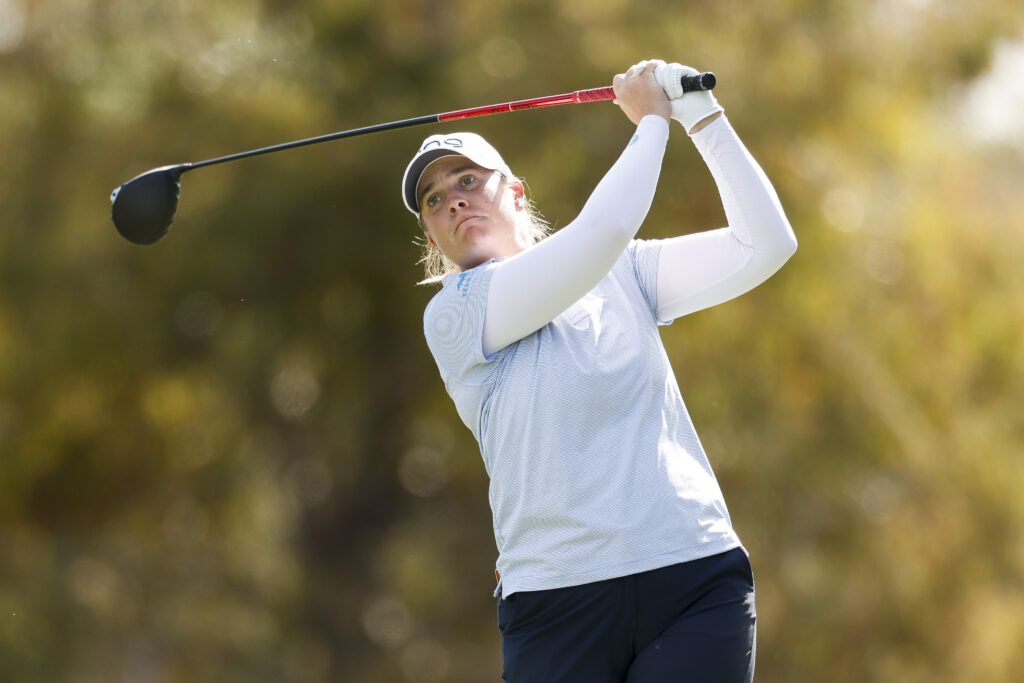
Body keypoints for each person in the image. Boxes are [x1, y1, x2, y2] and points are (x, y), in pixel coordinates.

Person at [400, 59, 797, 682]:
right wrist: (651, 124)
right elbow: (603, 230)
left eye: (468, 181)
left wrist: (701, 116)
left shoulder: (625, 271)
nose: (453, 200)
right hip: (558, 605)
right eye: (434, 200)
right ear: (430, 230)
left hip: (691, 573)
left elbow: (765, 245)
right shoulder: (453, 315)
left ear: (516, 191)